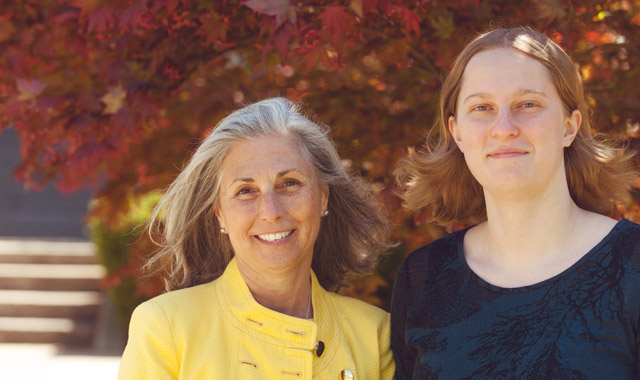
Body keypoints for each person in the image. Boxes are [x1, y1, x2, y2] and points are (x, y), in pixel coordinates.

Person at [391, 27, 639, 379]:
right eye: (482, 107)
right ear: (457, 132)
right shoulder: (425, 277)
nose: (504, 127)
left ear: (569, 126)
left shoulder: (633, 266)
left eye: (528, 104)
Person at [118, 97, 395, 379]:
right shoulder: (166, 326)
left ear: (323, 196)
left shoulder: (375, 337)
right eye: (245, 191)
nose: (271, 212)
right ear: (219, 213)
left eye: (289, 184)